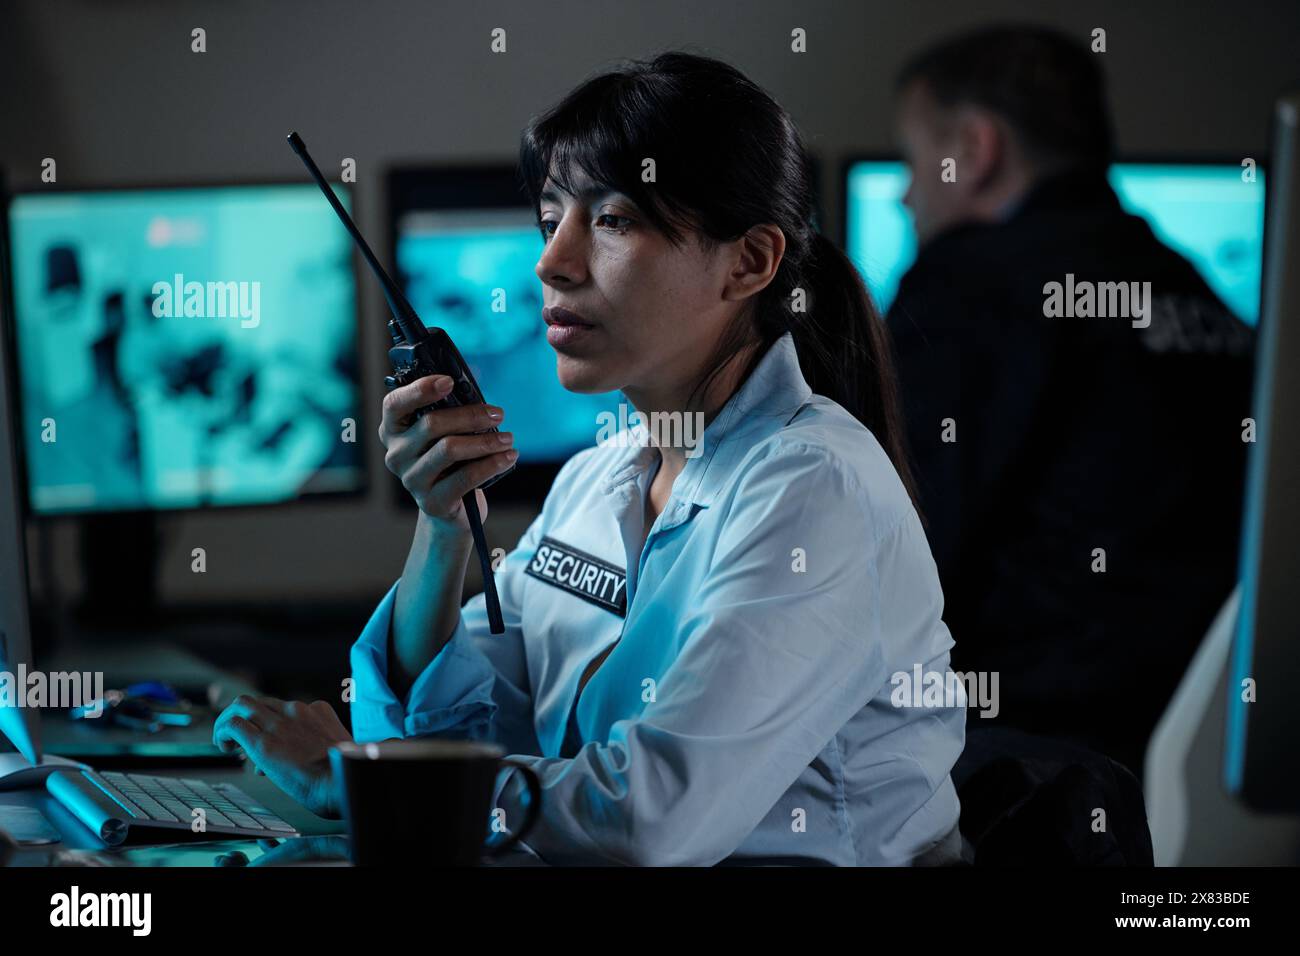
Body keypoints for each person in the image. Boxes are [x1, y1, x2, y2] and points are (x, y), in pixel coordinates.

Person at [213, 51, 966, 866]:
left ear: (749, 261)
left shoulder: (815, 488)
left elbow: (648, 822)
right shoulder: (599, 480)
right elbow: (472, 732)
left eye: (611, 220)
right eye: (550, 220)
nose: (552, 262)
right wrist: (442, 527)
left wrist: (365, 778)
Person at [886, 26, 1255, 776]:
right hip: (1194, 756)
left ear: (977, 150)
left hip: (1022, 766)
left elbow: (896, 547)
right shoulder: (1192, 289)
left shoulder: (969, 286)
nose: (906, 190)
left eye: (916, 159)